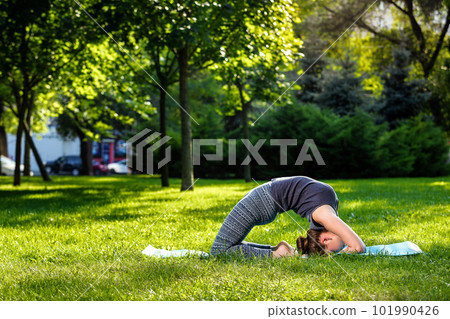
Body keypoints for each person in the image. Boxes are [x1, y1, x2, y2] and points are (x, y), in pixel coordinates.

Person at [210, 176, 366, 258]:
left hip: (262, 199)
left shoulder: (325, 214)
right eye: (341, 247)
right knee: (221, 249)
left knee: (219, 250)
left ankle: (278, 253)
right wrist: (343, 252)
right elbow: (358, 247)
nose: (345, 243)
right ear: (326, 239)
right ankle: (280, 252)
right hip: (262, 199)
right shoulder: (325, 216)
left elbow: (356, 246)